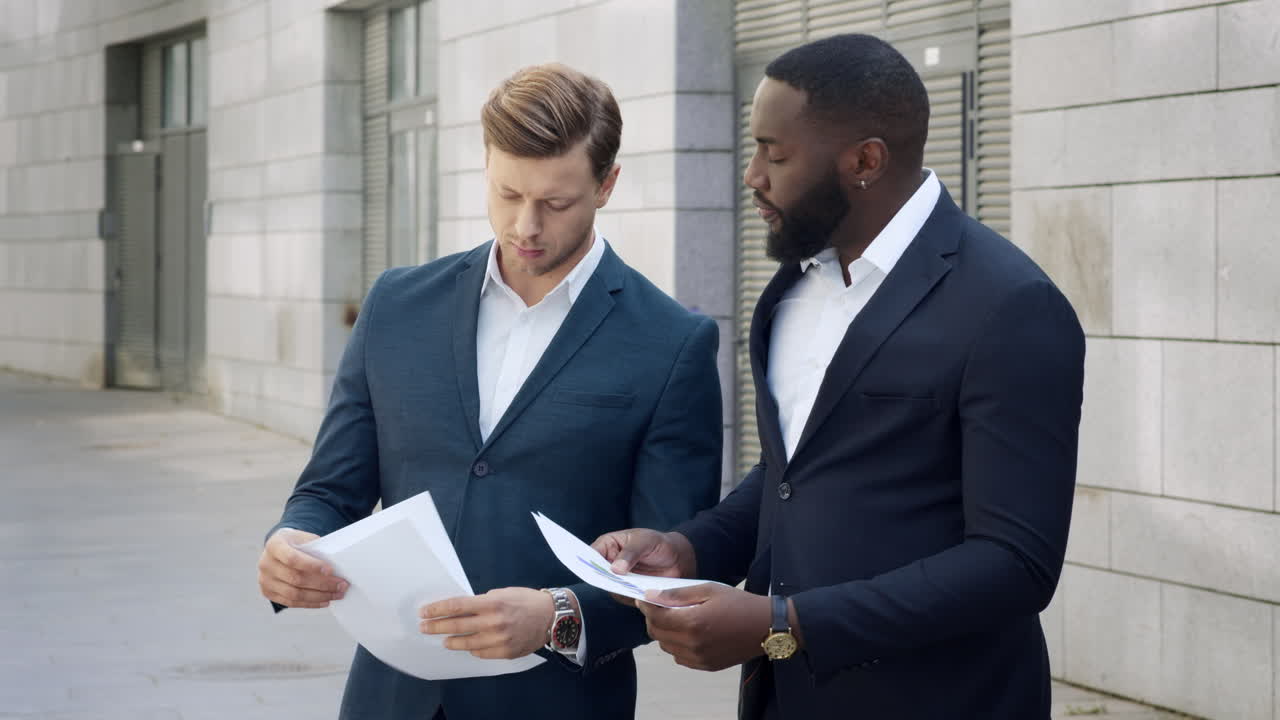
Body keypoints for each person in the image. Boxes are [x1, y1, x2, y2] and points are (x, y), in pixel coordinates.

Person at [593, 33, 1085, 719]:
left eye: (775, 151)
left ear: (864, 161)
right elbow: (792, 474)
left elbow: (1014, 564)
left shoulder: (1010, 307)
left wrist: (783, 623)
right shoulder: (794, 289)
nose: (752, 175)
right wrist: (690, 546)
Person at [256, 63, 722, 720]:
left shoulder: (673, 344)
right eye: (507, 194)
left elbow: (667, 570)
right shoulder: (397, 305)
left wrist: (558, 618)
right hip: (389, 700)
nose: (526, 226)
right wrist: (293, 541)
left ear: (607, 184)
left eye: (555, 203)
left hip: (555, 702)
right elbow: (330, 490)